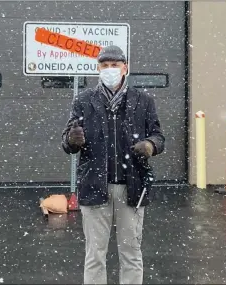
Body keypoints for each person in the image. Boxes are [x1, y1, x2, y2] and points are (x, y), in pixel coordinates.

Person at [61, 45, 165, 284]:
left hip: (132, 187)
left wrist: (150, 145)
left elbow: (159, 136)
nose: (110, 70)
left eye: (115, 65)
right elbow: (67, 143)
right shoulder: (84, 100)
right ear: (98, 69)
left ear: (125, 68)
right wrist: (71, 139)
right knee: (95, 254)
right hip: (94, 185)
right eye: (105, 66)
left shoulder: (143, 101)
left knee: (131, 253)